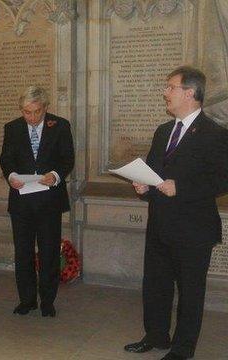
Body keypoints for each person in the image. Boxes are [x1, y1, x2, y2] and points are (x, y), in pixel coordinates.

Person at [124, 66, 228, 360]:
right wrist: (144, 186)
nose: (165, 92)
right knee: (155, 285)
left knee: (190, 292)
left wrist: (180, 187)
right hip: (160, 223)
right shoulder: (163, 131)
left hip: (194, 229)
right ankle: (156, 335)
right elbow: (156, 174)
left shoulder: (215, 134)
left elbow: (222, 179)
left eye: (171, 87)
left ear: (190, 93)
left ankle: (183, 349)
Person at [0, 86, 74, 318]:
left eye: (36, 112)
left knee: (49, 251)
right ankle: (27, 300)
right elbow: (6, 159)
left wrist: (56, 175)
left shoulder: (60, 126)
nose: (31, 117)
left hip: (49, 200)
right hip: (21, 201)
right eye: (26, 112)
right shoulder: (12, 127)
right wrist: (11, 177)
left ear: (45, 107)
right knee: (23, 252)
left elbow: (67, 158)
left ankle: (47, 301)